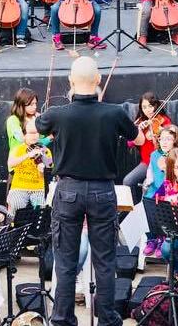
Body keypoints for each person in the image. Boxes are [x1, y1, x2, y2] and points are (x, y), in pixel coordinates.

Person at [35, 56, 143, 326]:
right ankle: (107, 318)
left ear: (71, 81)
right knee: (105, 261)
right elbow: (139, 139)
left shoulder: (57, 114)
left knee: (66, 261)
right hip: (102, 190)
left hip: (68, 190)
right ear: (98, 81)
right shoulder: (114, 113)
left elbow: (36, 129)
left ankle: (62, 319)